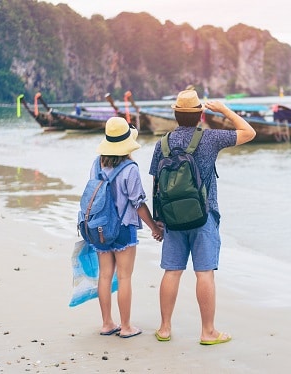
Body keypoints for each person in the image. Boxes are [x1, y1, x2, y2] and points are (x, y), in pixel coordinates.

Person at [149, 90, 256, 345]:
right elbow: (249, 132)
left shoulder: (162, 143)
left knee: (172, 272)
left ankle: (164, 328)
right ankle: (208, 331)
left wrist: (158, 221)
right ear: (200, 115)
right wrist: (225, 111)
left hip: (172, 217)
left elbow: (156, 185)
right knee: (204, 273)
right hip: (203, 215)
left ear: (175, 115)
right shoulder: (209, 139)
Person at [92, 116, 163, 338]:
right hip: (123, 227)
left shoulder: (96, 163)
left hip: (99, 227)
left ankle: (106, 323)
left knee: (105, 276)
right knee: (123, 278)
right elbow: (138, 203)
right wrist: (154, 227)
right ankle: (125, 327)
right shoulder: (130, 168)